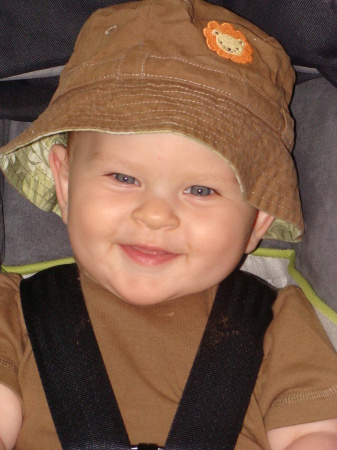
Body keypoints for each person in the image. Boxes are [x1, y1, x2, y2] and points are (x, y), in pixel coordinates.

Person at [0, 0, 337, 448]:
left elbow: (314, 433)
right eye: (123, 178)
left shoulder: (277, 322)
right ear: (64, 182)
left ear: (258, 217)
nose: (155, 215)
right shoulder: (16, 311)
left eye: (201, 190)